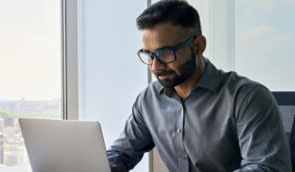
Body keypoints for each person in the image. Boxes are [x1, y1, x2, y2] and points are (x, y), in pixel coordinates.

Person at [106, 0, 292, 171]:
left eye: (166, 53)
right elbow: (121, 154)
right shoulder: (149, 99)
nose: (155, 66)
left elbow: (266, 168)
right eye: (149, 55)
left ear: (198, 46)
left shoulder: (248, 98)